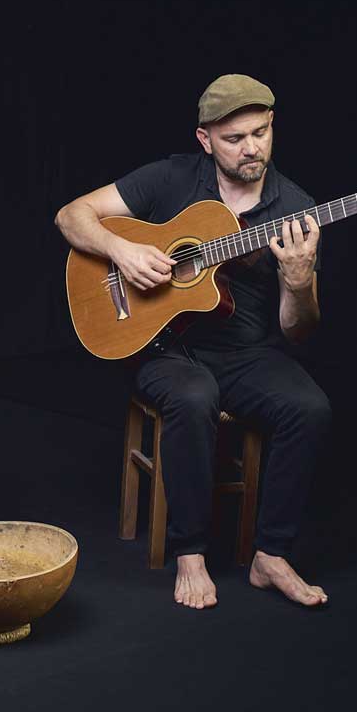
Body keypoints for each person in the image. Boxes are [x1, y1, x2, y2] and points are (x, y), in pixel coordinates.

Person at [54, 75, 331, 610]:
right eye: (234, 138)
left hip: (245, 351)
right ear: (206, 140)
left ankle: (271, 554)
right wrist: (120, 249)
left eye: (261, 132)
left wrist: (299, 284)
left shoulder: (296, 208)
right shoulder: (172, 177)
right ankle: (190, 553)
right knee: (192, 394)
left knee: (310, 408)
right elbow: (71, 215)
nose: (252, 148)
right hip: (163, 346)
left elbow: (299, 332)